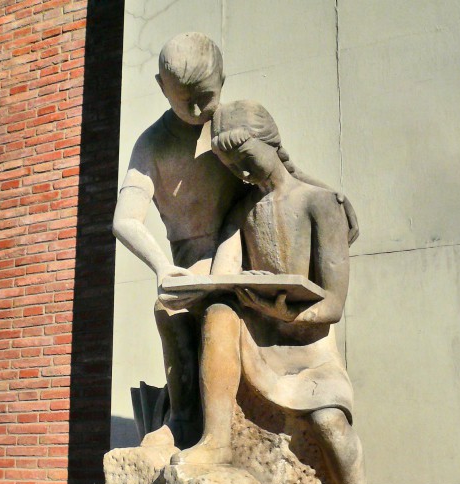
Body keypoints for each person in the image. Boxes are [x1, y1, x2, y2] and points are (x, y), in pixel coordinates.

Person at [113, 33, 359, 449]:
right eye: (184, 100)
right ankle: (184, 418)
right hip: (194, 260)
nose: (197, 110)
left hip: (249, 246)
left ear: (223, 80)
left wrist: (332, 198)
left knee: (220, 311)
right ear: (161, 88)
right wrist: (161, 266)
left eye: (205, 97)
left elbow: (282, 168)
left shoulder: (230, 125)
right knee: (169, 309)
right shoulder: (152, 144)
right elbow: (124, 220)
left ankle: (219, 434)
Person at [170, 100, 379, 484]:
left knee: (329, 423)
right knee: (219, 311)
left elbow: (333, 306)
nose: (242, 173)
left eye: (246, 158)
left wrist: (285, 311)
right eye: (232, 166)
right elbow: (223, 276)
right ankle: (216, 440)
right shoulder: (242, 213)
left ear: (271, 143)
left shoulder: (321, 204)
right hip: (260, 341)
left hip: (309, 349)